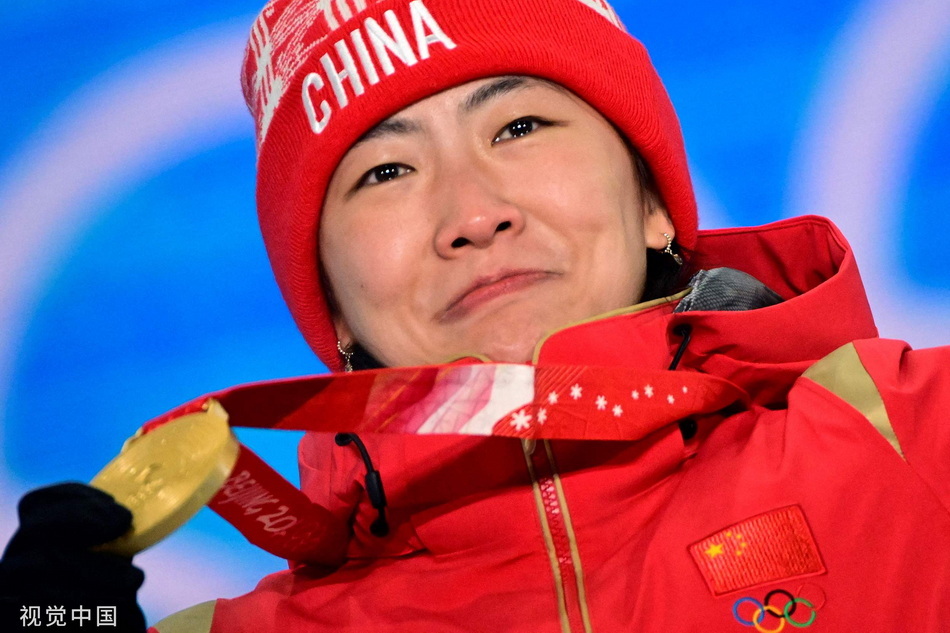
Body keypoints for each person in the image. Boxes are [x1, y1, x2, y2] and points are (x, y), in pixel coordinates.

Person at [2, 0, 949, 631]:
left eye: (520, 127)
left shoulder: (916, 438)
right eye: (386, 171)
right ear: (328, 303)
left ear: (653, 198)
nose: (472, 212)